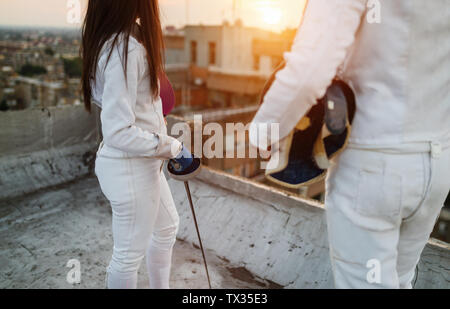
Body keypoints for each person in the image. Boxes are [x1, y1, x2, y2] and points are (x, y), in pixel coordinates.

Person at [250, 0, 450, 288]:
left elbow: (311, 68)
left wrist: (264, 134)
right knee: (400, 280)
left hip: (372, 167)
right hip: (437, 163)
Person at [81, 0, 195, 289]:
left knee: (167, 228)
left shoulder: (114, 42)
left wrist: (156, 130)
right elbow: (118, 131)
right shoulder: (124, 49)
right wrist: (172, 147)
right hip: (128, 169)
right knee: (127, 257)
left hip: (143, 165)